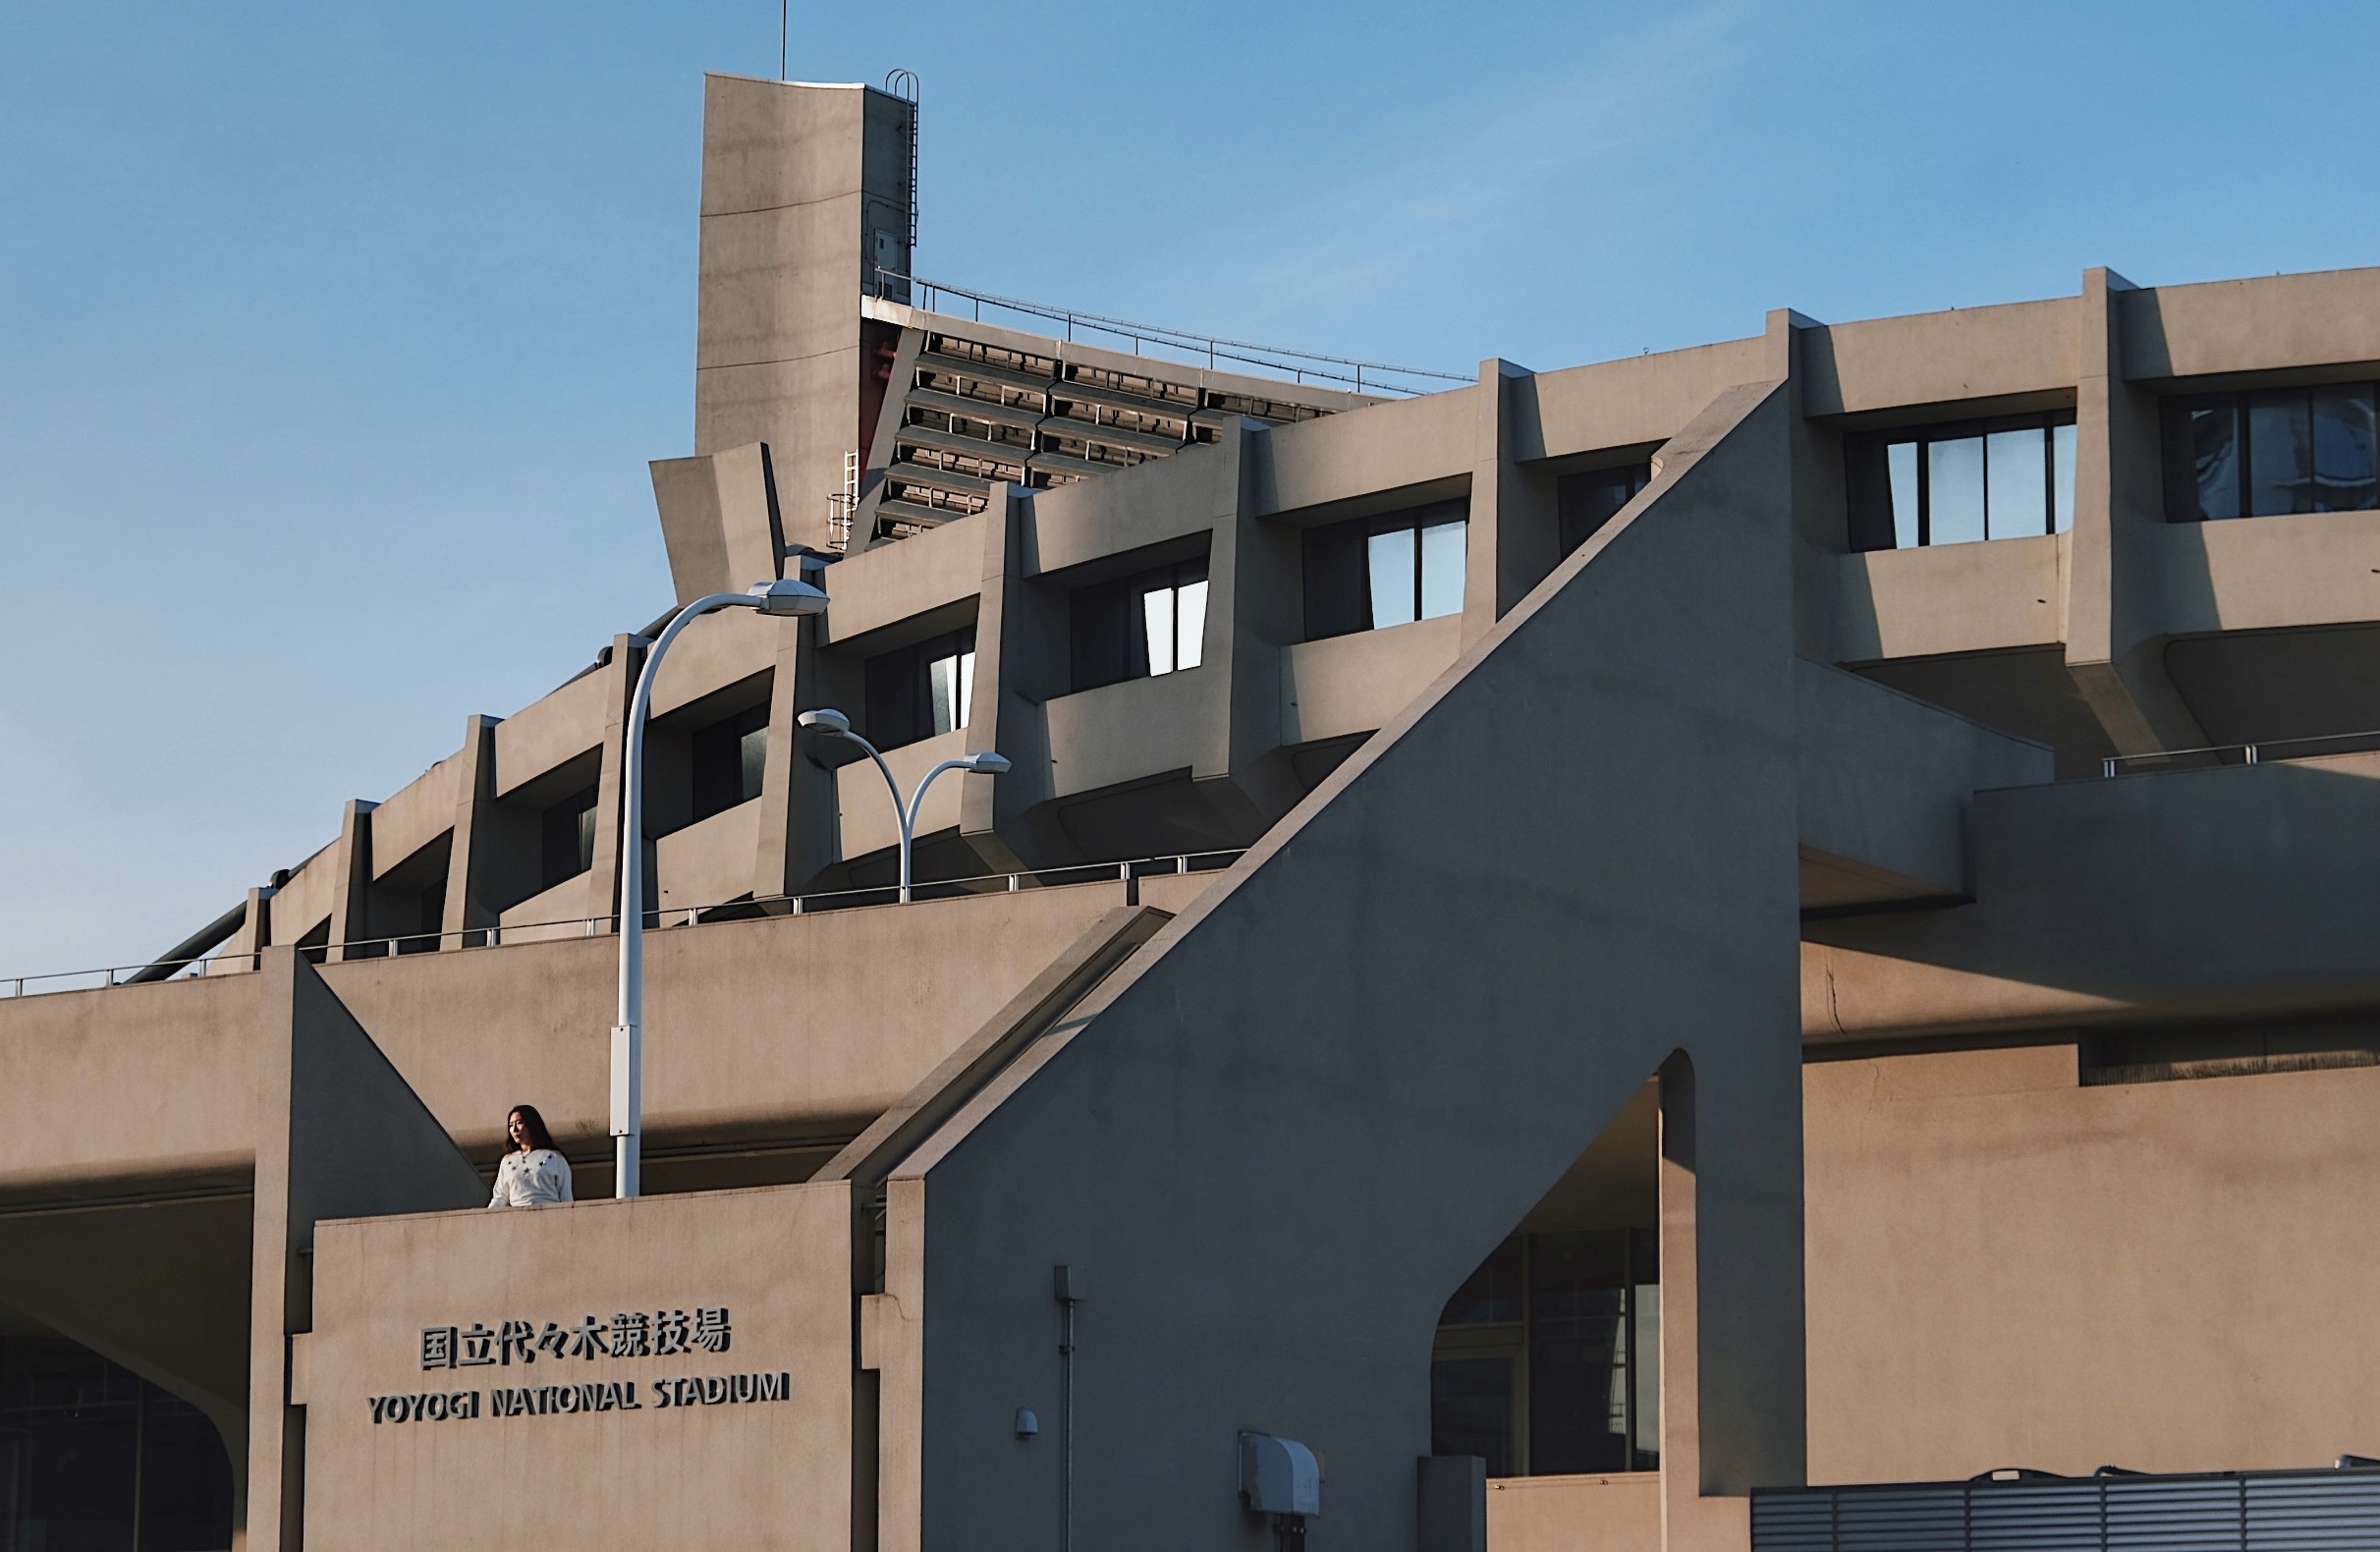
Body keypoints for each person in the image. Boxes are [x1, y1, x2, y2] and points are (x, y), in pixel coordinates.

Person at [488, 1104, 573, 1208]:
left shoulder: (555, 1157)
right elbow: (500, 1197)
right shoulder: (507, 1160)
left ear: (532, 1124)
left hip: (549, 1213)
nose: (514, 1129)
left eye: (519, 1123)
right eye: (511, 1125)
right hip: (517, 1215)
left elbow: (566, 1197)